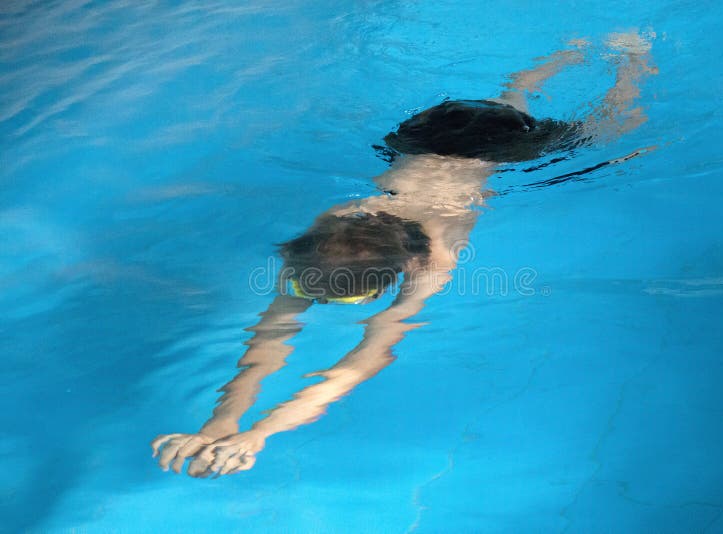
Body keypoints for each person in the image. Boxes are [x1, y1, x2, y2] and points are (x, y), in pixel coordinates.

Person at [152, 32, 657, 477]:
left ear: (393, 275)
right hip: (429, 132)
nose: (314, 298)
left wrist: (263, 431)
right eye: (307, 287)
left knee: (611, 132)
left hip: (494, 145)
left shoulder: (437, 257)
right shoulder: (328, 232)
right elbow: (272, 333)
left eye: (346, 301)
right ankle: (574, 54)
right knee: (511, 96)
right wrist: (222, 421)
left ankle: (633, 64)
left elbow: (367, 356)